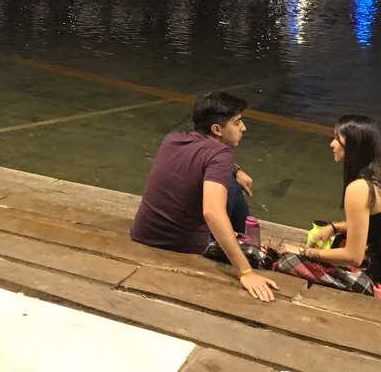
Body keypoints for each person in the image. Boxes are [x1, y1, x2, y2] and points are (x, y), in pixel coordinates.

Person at [131, 91, 277, 302]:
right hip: (184, 245)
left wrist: (235, 170)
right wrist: (246, 272)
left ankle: (241, 236)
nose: (243, 128)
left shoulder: (173, 139)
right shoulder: (221, 154)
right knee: (233, 191)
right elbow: (212, 212)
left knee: (229, 182)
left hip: (143, 232)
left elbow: (202, 158)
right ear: (217, 129)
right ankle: (245, 241)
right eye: (237, 122)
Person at [274, 115, 381, 296]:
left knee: (286, 261)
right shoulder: (375, 178)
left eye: (337, 139)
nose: (331, 144)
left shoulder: (360, 188)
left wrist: (307, 252)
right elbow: (375, 225)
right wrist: (334, 227)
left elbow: (353, 257)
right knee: (338, 239)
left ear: (354, 146)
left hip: (372, 280)